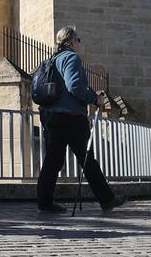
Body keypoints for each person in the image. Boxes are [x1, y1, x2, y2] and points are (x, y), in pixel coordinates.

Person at [35, 27, 118, 214]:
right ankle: (107, 199)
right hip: (70, 117)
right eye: (79, 40)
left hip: (52, 116)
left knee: (53, 160)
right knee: (87, 158)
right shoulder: (71, 58)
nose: (81, 43)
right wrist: (94, 98)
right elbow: (74, 86)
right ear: (71, 42)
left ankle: (45, 201)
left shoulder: (52, 60)